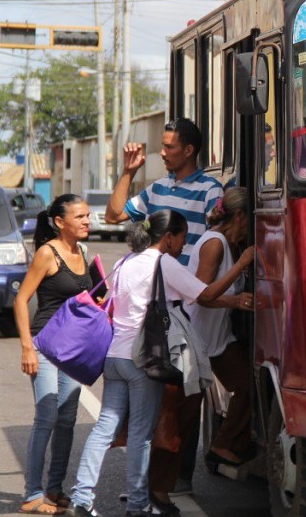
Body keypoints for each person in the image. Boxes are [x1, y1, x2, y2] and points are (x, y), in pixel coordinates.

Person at [69, 210, 254, 517]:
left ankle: (81, 497)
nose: (182, 245)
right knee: (142, 435)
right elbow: (204, 294)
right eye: (181, 238)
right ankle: (140, 504)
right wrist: (241, 264)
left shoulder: (124, 261)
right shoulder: (164, 262)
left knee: (104, 429)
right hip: (144, 358)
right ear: (168, 237)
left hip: (114, 356)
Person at [148, 188, 257, 514]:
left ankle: (223, 445)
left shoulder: (225, 243)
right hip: (196, 344)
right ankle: (156, 490)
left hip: (218, 340)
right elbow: (203, 295)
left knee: (247, 386)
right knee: (177, 421)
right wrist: (240, 269)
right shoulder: (214, 244)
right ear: (240, 217)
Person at [13, 194, 92, 515]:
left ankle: (55, 489)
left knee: (68, 419)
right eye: (80, 217)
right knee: (46, 416)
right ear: (60, 222)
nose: (87, 221)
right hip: (44, 344)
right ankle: (33, 492)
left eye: (88, 216)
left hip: (73, 349)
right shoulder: (47, 254)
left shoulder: (83, 252)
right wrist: (26, 347)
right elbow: (21, 300)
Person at [105, 117, 223, 266]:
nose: (162, 153)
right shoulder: (157, 188)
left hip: (185, 286)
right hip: (153, 284)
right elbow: (113, 216)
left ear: (188, 150)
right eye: (163, 146)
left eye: (169, 147)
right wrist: (128, 172)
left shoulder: (210, 190)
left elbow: (215, 245)